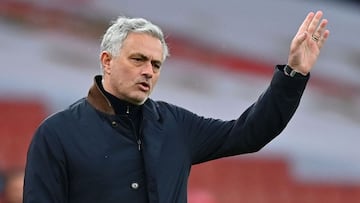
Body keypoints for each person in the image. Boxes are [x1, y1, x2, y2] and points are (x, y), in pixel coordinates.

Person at [23, 11, 329, 203]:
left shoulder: (174, 124)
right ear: (107, 61)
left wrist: (293, 74)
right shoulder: (57, 134)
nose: (149, 71)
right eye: (138, 59)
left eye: (156, 64)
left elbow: (249, 132)